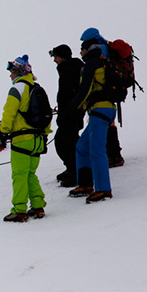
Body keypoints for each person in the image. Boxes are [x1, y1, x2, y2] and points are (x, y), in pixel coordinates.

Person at [0, 55, 51, 222]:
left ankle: (19, 210)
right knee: (30, 174)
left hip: (22, 139)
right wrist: (45, 136)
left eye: (12, 72)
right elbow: (46, 114)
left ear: (18, 72)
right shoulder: (37, 88)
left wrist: (2, 134)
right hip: (38, 139)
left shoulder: (17, 88)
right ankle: (38, 206)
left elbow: (9, 112)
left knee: (19, 175)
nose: (10, 76)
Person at [68, 28, 116, 203]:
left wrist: (73, 107)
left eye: (82, 48)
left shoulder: (92, 64)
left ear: (88, 49)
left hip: (100, 110)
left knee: (97, 149)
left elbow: (85, 89)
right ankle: (86, 183)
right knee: (82, 146)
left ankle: (103, 189)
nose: (80, 52)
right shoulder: (103, 61)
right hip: (105, 109)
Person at [49, 44, 85, 187]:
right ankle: (73, 169)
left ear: (62, 56)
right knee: (66, 141)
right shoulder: (73, 67)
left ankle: (75, 172)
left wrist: (66, 111)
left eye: (56, 57)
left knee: (65, 143)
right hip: (74, 112)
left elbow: (67, 94)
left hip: (70, 113)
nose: (54, 60)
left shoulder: (68, 69)